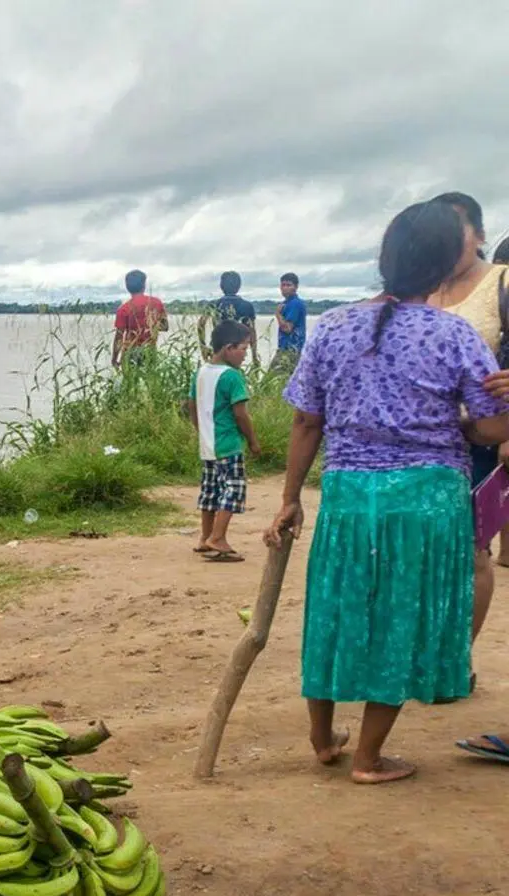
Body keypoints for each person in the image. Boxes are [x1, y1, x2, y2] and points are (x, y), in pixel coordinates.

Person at [264, 200, 509, 785]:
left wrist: (290, 496)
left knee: (336, 608)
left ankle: (323, 739)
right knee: (403, 616)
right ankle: (370, 758)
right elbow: (489, 428)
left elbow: (306, 422)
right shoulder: (452, 334)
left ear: (385, 258)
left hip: (348, 496)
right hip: (427, 501)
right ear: (450, 262)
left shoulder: (333, 327)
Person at [427, 194, 509, 622]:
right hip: (420, 442)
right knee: (422, 550)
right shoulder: (418, 286)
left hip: (480, 440)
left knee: (472, 551)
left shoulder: (503, 282)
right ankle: (426, 656)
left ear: (478, 234)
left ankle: (456, 660)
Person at [189, 319, 260, 562]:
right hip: (228, 444)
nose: (245, 355)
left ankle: (205, 537)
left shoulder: (200, 372)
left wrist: (201, 430)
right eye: (244, 349)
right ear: (229, 348)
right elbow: (241, 413)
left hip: (207, 444)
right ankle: (218, 537)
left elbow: (191, 406)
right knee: (234, 487)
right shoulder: (232, 376)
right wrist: (252, 440)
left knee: (211, 490)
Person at [197, 271, 259, 366]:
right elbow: (252, 332)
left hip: (217, 349)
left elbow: (201, 324)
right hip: (237, 350)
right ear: (239, 286)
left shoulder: (214, 304)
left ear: (221, 286)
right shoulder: (247, 306)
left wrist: (203, 346)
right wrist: (254, 356)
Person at [111, 270, 168, 369]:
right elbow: (165, 327)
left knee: (129, 383)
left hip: (129, 353)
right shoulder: (156, 303)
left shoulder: (124, 309)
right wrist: (150, 325)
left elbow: (119, 337)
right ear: (144, 285)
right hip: (149, 351)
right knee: (151, 382)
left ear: (127, 287)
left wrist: (114, 358)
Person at [273, 272, 307, 368]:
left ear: (296, 287)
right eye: (283, 285)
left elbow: (287, 328)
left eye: (289, 285)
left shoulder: (295, 304)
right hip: (286, 349)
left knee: (273, 377)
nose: (285, 288)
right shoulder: (286, 303)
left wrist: (278, 315)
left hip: (291, 350)